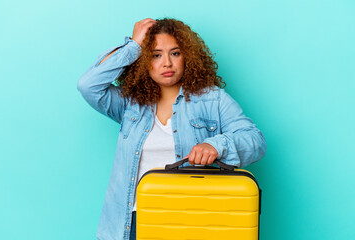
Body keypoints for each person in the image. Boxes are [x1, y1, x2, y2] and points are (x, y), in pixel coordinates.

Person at [77, 18, 266, 240]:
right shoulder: (130, 103)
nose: (167, 63)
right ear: (144, 61)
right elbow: (88, 85)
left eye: (175, 53)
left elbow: (255, 141)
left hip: (190, 218)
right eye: (156, 55)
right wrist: (134, 46)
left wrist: (216, 145)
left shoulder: (213, 99)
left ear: (188, 56)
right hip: (135, 221)